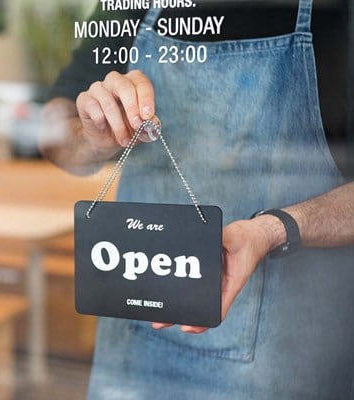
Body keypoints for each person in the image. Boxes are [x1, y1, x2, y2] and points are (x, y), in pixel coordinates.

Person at [40, 0, 354, 398]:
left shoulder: (335, 11)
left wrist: (275, 229)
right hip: (135, 358)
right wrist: (91, 136)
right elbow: (51, 132)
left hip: (280, 367)